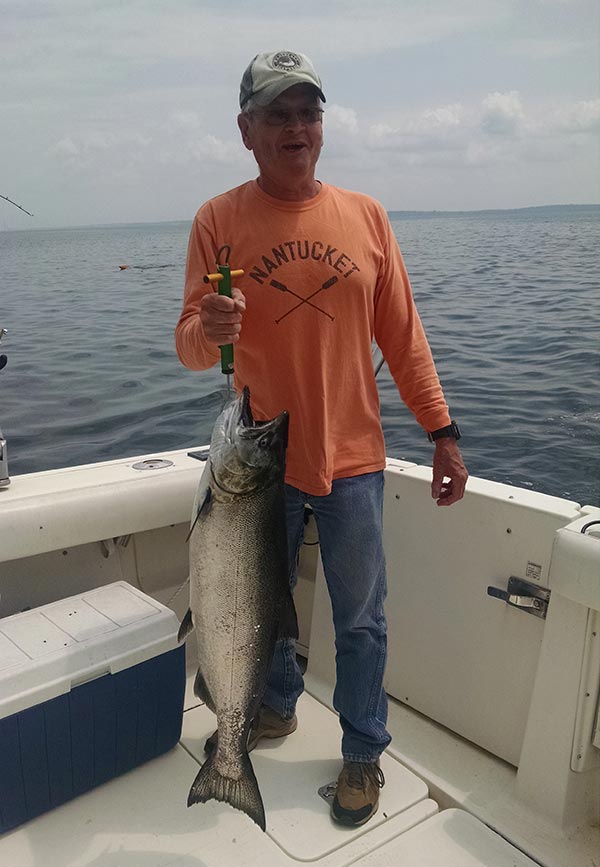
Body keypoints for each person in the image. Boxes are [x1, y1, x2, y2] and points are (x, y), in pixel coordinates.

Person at [175, 50, 468, 827]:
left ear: (322, 127)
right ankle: (269, 707)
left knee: (361, 618)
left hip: (354, 461)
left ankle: (364, 752)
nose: (297, 128)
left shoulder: (367, 216)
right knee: (259, 605)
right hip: (258, 469)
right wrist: (208, 325)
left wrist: (441, 430)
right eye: (278, 114)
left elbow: (405, 338)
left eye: (308, 112)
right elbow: (190, 347)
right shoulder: (217, 220)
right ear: (247, 131)